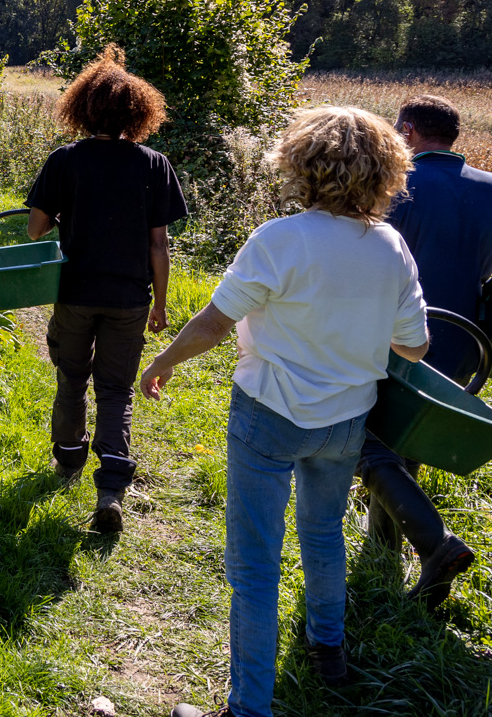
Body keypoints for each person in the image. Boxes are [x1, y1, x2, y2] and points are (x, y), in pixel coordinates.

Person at [140, 106, 430, 717]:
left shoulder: (279, 239)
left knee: (254, 565)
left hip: (268, 414)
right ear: (386, 172)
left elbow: (215, 323)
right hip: (347, 420)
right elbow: (415, 345)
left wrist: (163, 360)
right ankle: (328, 649)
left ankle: (249, 707)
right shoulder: (391, 245)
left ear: (302, 164)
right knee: (324, 533)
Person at [358, 94, 492, 608]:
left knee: (368, 438)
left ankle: (417, 548)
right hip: (463, 343)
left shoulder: (393, 182)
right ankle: (384, 551)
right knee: (408, 439)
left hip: (389, 336)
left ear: (408, 131)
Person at [23, 46, 188, 533]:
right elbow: (159, 244)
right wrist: (160, 304)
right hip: (130, 299)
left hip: (75, 293)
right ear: (137, 112)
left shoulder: (64, 160)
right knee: (115, 390)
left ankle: (69, 460)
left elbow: (35, 229)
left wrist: (66, 210)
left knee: (72, 378)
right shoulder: (154, 164)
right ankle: (111, 489)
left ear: (82, 108)